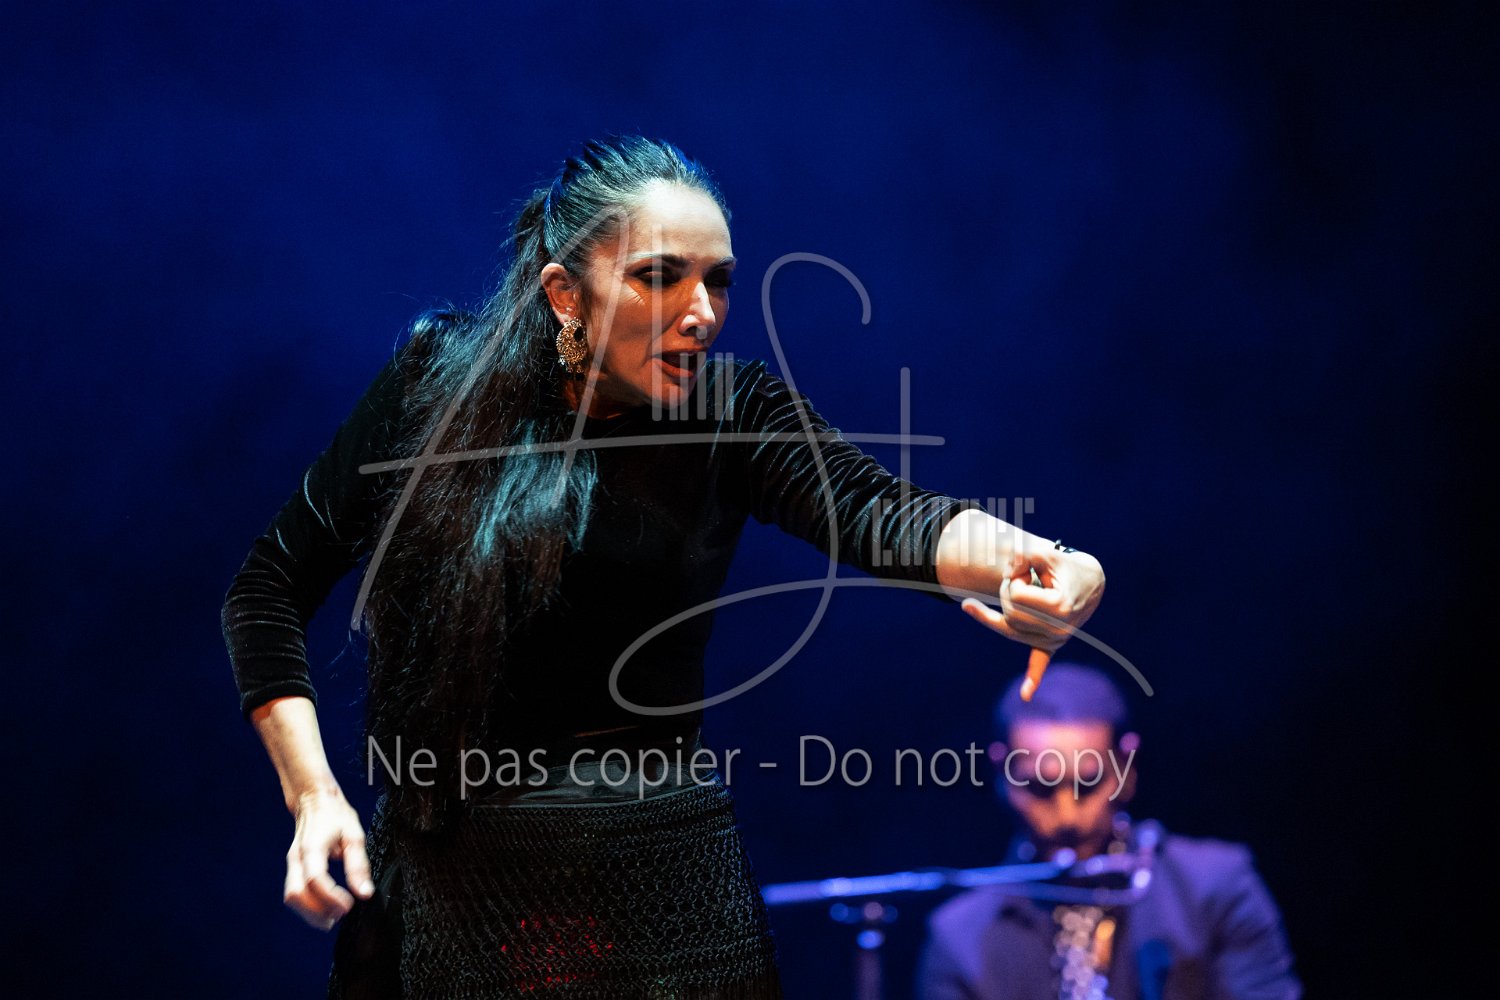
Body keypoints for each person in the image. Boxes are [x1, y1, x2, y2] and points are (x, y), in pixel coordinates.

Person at [220, 135, 1106, 998]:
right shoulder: (437, 384)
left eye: (718, 280)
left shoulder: (731, 410)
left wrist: (1048, 562)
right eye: (659, 276)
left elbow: (880, 512)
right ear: (565, 293)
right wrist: (313, 795)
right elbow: (267, 587)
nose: (703, 311)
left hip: (658, 889)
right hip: (449, 888)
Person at [916, 664, 1300, 1000]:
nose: (1068, 817)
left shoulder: (1213, 888)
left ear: (1126, 767)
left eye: (1088, 784)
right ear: (1002, 772)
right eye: (1040, 788)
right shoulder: (959, 937)